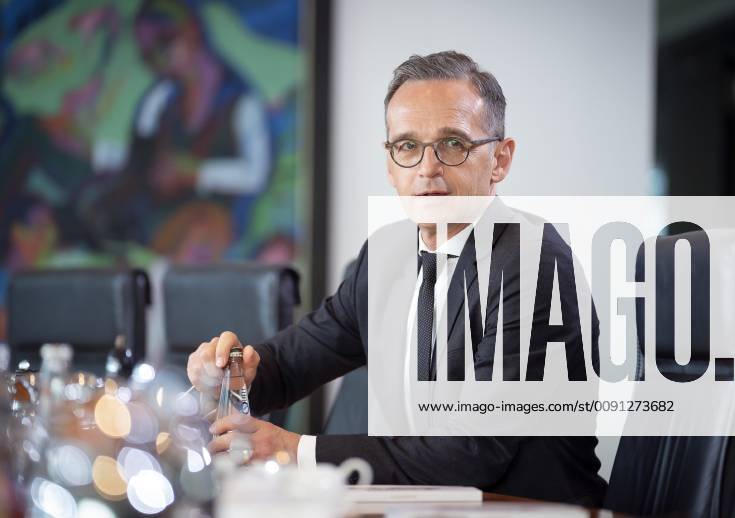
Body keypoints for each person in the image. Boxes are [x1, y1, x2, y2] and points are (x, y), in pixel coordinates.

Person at [187, 51, 607, 505]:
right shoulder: (386, 256)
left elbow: (472, 452)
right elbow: (290, 364)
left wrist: (294, 448)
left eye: (453, 144)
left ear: (500, 160)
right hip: (422, 508)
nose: (427, 169)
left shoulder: (532, 263)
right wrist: (228, 375)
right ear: (390, 165)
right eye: (407, 146)